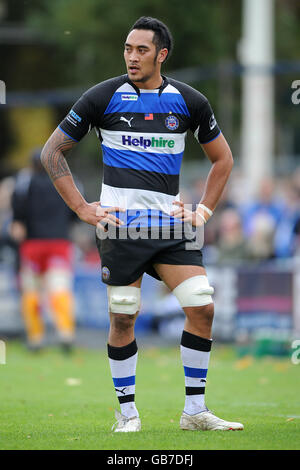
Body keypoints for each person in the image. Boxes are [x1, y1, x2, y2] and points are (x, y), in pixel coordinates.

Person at [40, 17, 243, 432]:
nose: (132, 57)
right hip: (121, 226)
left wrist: (203, 211)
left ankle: (195, 412)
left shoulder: (191, 102)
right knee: (123, 315)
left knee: (202, 307)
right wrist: (81, 207)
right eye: (128, 49)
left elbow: (223, 159)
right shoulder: (102, 97)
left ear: (161, 54)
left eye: (142, 50)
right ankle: (127, 414)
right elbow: (52, 152)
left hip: (170, 226)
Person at [10, 149, 77, 352]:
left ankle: (35, 338)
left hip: (32, 245)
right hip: (59, 243)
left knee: (32, 292)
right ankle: (66, 334)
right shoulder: (68, 181)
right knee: (60, 289)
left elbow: (17, 213)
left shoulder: (24, 182)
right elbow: (76, 210)